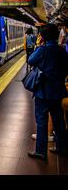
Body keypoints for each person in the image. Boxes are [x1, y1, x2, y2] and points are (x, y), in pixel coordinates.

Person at [28, 24, 68, 160]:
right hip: (57, 92)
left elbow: (30, 60)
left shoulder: (42, 50)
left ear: (42, 37)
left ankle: (41, 151)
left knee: (41, 121)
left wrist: (39, 46)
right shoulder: (62, 50)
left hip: (43, 92)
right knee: (59, 121)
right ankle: (62, 147)